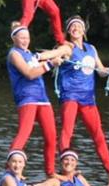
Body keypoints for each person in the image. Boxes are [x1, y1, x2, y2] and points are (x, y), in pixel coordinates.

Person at [58, 16, 109, 176]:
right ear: (68, 31)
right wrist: (55, 59)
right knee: (67, 131)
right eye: (72, 26)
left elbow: (101, 72)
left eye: (78, 26)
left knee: (98, 134)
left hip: (87, 98)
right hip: (70, 95)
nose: (76, 29)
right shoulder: (67, 47)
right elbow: (58, 55)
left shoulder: (91, 49)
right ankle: (64, 169)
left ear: (83, 30)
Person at [7, 23, 70, 177]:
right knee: (24, 133)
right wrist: (49, 64)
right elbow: (29, 73)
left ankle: (50, 172)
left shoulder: (29, 53)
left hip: (42, 98)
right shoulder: (14, 54)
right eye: (21, 37)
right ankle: (10, 170)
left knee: (51, 136)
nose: (25, 40)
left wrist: (57, 57)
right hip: (27, 98)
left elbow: (40, 63)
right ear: (14, 38)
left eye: (27, 38)